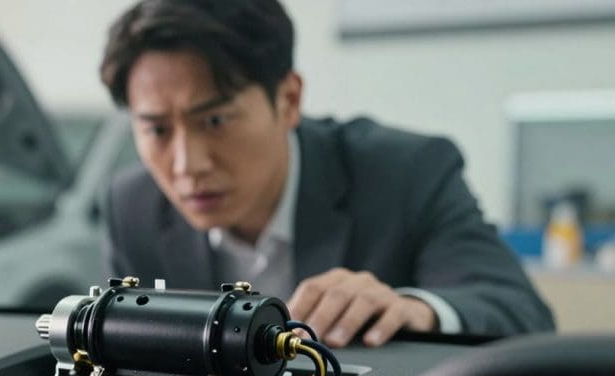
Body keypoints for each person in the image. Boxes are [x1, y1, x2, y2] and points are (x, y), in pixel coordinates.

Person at [98, 0, 554, 347]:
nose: (187, 165)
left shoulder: (404, 173)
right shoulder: (133, 206)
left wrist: (414, 309)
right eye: (157, 129)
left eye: (215, 121)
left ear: (289, 100)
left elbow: (520, 314)